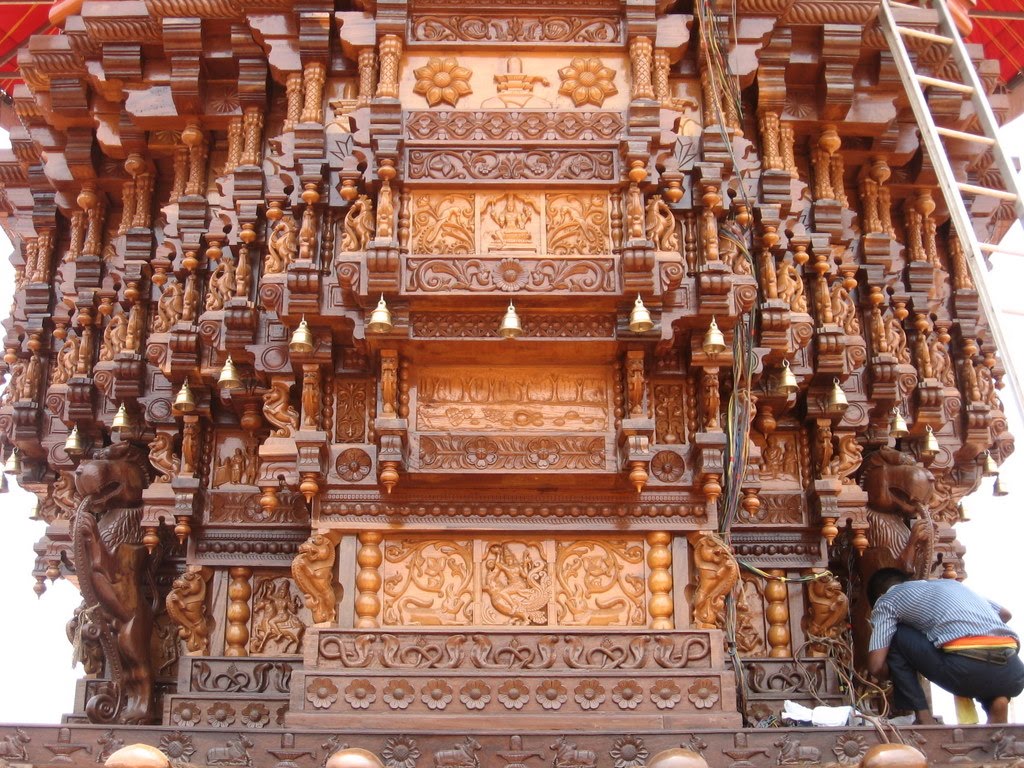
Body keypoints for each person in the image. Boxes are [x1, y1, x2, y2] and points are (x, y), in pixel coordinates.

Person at [867, 568, 1024, 724]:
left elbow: (876, 666)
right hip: (1014, 672)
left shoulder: (887, 600)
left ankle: (924, 718)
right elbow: (1005, 614)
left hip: (965, 670)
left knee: (895, 635)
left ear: (880, 596)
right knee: (979, 660)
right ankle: (998, 700)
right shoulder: (953, 585)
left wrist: (896, 671)